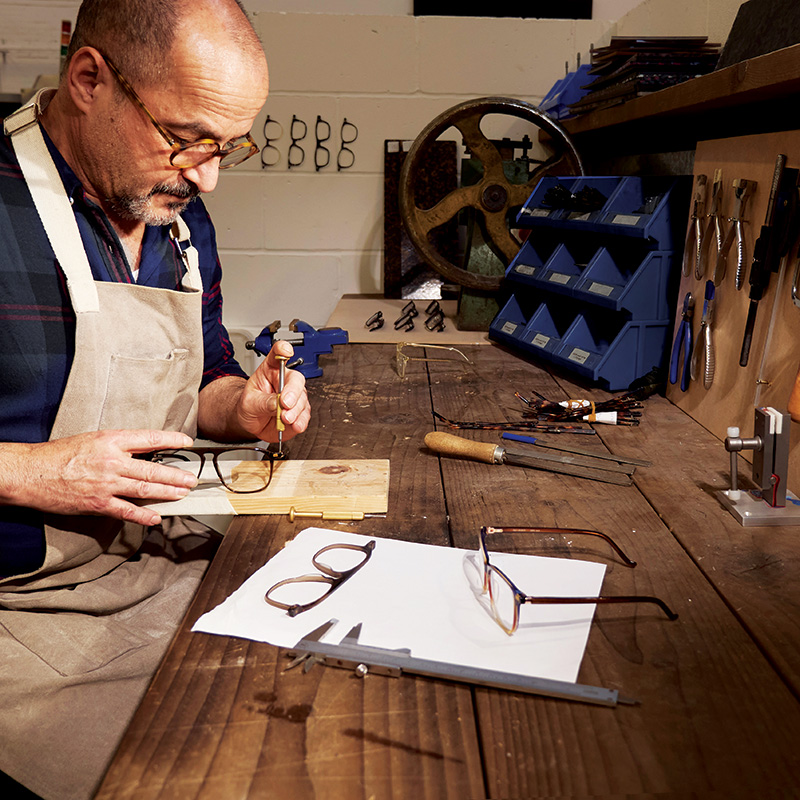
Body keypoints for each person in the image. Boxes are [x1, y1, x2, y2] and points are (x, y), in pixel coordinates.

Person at [0, 1, 309, 797]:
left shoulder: (178, 217)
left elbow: (201, 375)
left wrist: (239, 403)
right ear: (89, 79)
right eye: (187, 139)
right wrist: (27, 473)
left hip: (159, 564)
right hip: (22, 611)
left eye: (227, 147)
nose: (205, 174)